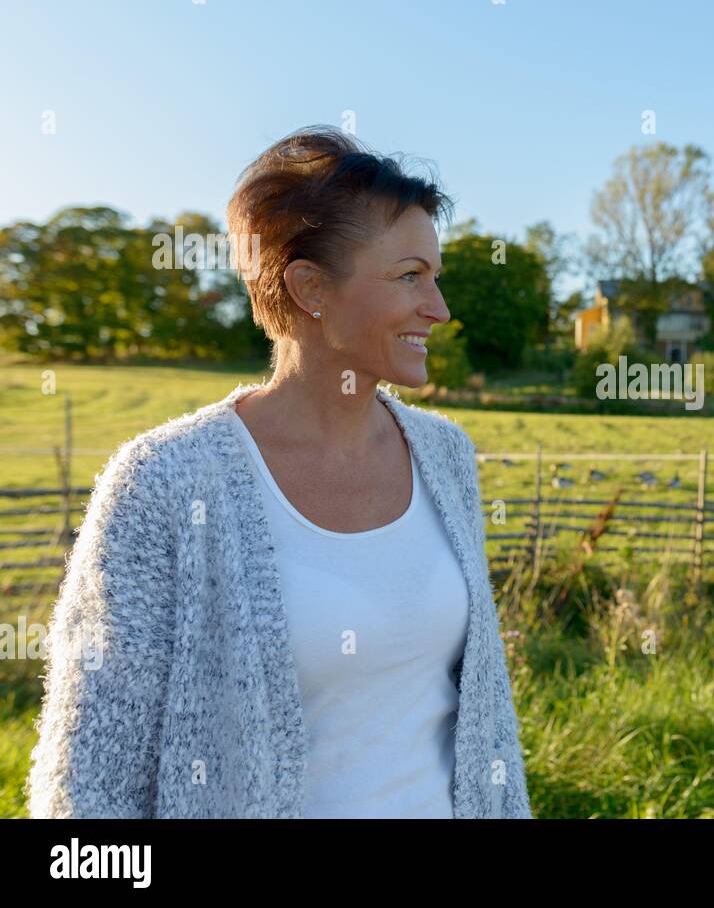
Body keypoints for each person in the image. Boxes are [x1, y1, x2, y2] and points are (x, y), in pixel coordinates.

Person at [25, 125, 532, 818]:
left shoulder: (446, 459)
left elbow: (485, 724)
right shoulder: (165, 483)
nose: (439, 308)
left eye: (434, 276)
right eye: (410, 275)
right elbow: (89, 781)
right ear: (310, 286)